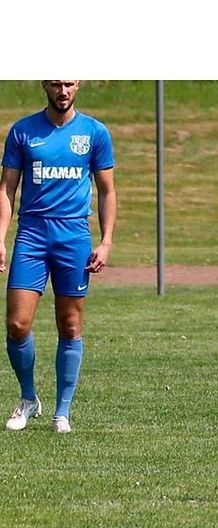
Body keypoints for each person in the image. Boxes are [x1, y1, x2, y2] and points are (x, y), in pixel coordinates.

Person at [0, 80, 116, 434]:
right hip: (32, 234)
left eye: (68, 83)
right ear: (44, 86)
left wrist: (106, 240)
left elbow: (107, 190)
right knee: (17, 324)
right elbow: (6, 188)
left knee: (70, 325)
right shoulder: (22, 131)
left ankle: (62, 412)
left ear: (77, 84)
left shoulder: (95, 132)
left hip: (73, 236)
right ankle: (28, 398)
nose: (62, 90)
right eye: (55, 83)